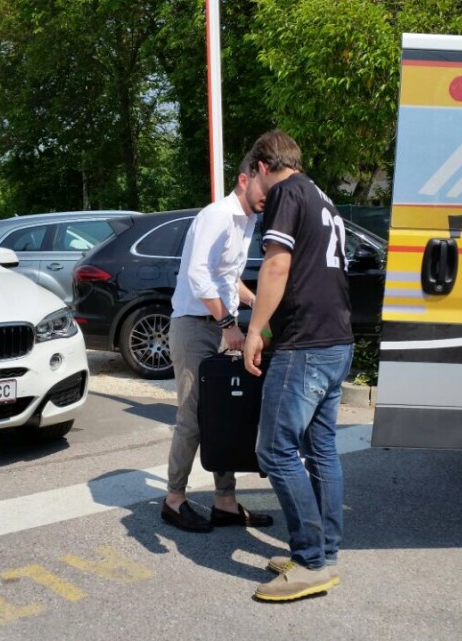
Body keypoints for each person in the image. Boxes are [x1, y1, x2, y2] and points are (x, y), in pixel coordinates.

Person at [242, 130, 354, 601]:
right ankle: (324, 552)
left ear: (264, 166)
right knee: (321, 448)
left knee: (276, 451)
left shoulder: (286, 193)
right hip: (337, 339)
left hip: (304, 344)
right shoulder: (323, 198)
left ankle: (309, 563)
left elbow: (277, 266)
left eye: (256, 177)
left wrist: (255, 329)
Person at [161, 155, 274, 533]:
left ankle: (225, 502)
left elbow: (227, 277)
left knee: (224, 415)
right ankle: (174, 500)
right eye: (265, 187)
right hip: (195, 326)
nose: (269, 196)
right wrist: (228, 324)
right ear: (245, 178)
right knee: (192, 418)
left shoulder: (249, 220)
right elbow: (197, 275)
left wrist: (256, 301)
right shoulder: (217, 215)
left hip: (219, 324)